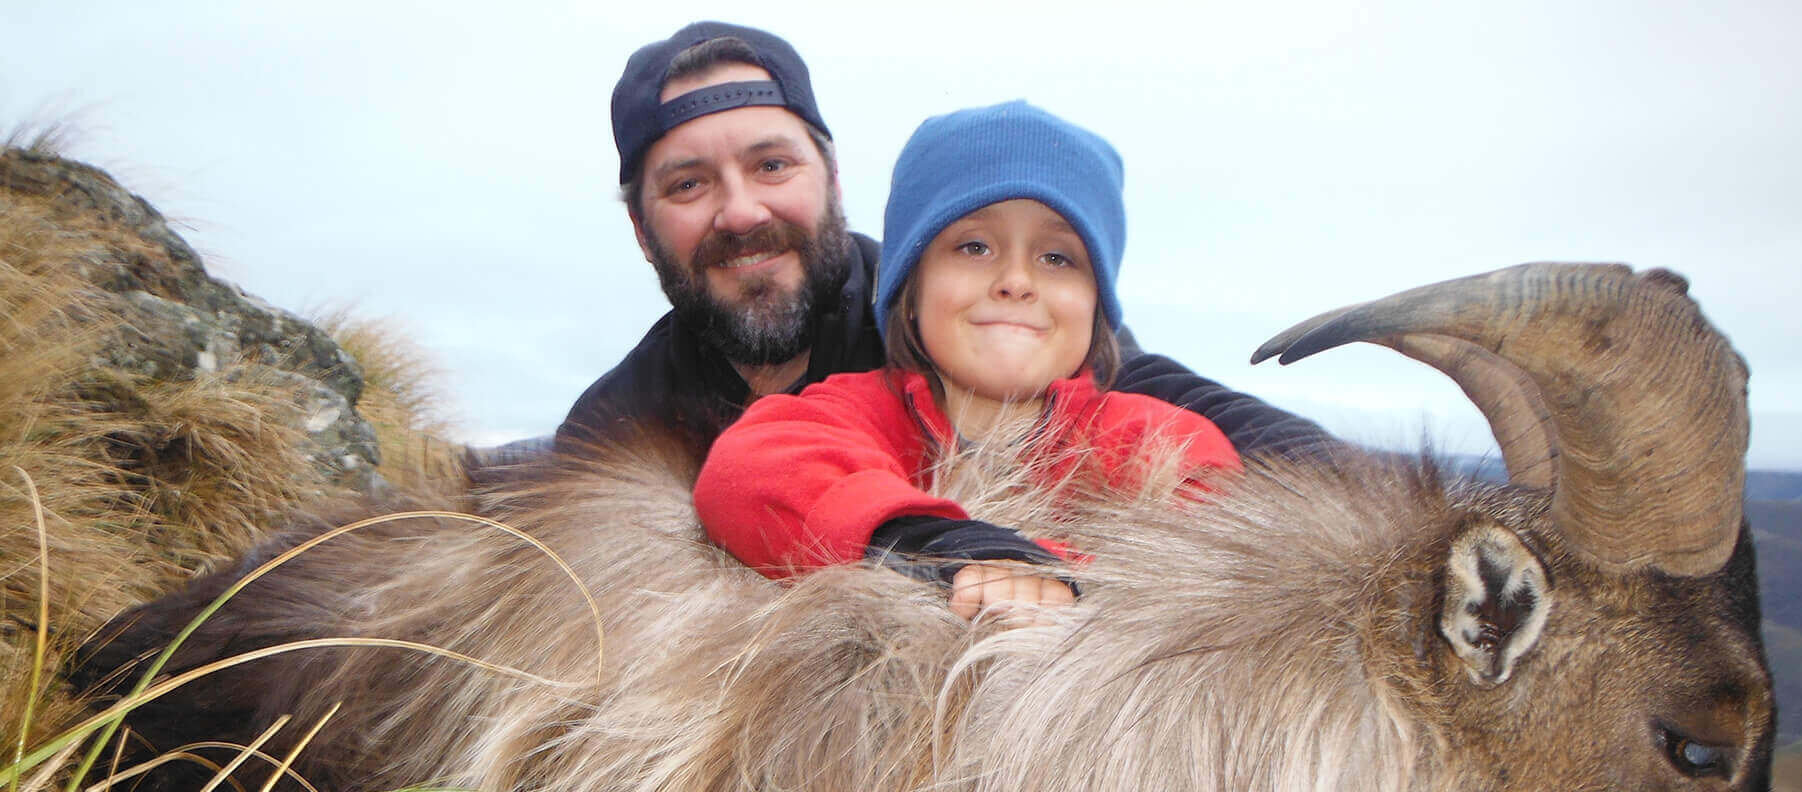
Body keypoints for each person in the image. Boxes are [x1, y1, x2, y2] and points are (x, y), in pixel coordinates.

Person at [555, 21, 1331, 464]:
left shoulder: (951, 316)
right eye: (688, 183)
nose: (742, 211)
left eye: (771, 164)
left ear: (830, 178)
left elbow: (1166, 405)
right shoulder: (612, 432)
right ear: (641, 228)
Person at [693, 101, 1242, 620]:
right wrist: (943, 546)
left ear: (1098, 306)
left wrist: (1064, 578)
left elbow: (1215, 562)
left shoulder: (1160, 442)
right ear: (910, 286)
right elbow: (746, 472)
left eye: (1058, 257)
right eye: (974, 247)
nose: (1016, 282)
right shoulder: (851, 412)